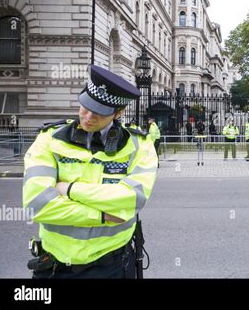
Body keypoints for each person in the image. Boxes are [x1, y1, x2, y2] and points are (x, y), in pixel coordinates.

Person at [23, 65, 157, 278]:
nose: (87, 117)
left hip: (112, 265)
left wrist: (70, 189)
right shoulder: (49, 139)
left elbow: (132, 200)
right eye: (85, 107)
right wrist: (103, 215)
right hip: (54, 266)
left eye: (99, 113)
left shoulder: (140, 146)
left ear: (118, 113)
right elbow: (37, 206)